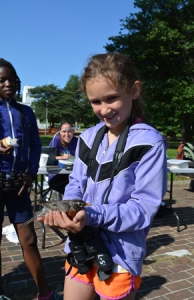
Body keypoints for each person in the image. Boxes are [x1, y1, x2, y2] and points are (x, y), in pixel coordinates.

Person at [38, 52, 168, 300]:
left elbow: (143, 209)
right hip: (80, 243)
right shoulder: (86, 138)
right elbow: (76, 184)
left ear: (134, 90)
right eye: (95, 101)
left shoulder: (149, 142)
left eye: (112, 98)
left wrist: (91, 215)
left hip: (121, 252)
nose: (104, 109)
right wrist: (68, 211)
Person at [0, 58, 62, 300]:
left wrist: (31, 172)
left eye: (12, 79)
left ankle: (44, 293)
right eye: (2, 80)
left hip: (19, 185)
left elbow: (36, 145)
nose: (8, 84)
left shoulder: (25, 112)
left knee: (29, 239)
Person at [48, 122, 78, 195]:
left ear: (73, 132)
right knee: (69, 191)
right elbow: (48, 156)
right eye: (64, 131)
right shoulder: (56, 140)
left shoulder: (77, 141)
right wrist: (62, 157)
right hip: (57, 175)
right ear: (60, 132)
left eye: (69, 131)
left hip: (72, 174)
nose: (67, 134)